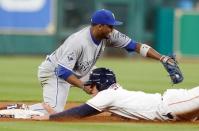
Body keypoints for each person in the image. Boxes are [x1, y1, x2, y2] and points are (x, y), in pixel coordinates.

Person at [6, 9, 177, 114]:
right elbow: (62, 72)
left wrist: (162, 58)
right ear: (99, 26)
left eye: (113, 26)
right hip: (54, 74)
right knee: (54, 111)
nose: (113, 29)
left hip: (78, 70)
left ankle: (118, 111)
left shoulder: (109, 34)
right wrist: (82, 86)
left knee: (107, 81)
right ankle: (19, 109)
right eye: (110, 26)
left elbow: (135, 46)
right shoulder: (78, 41)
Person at [32, 67, 199, 122]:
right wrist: (57, 114)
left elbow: (80, 112)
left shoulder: (107, 96)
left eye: (91, 85)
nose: (90, 90)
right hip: (175, 110)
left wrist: (50, 117)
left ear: (98, 84)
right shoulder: (115, 94)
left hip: (171, 104)